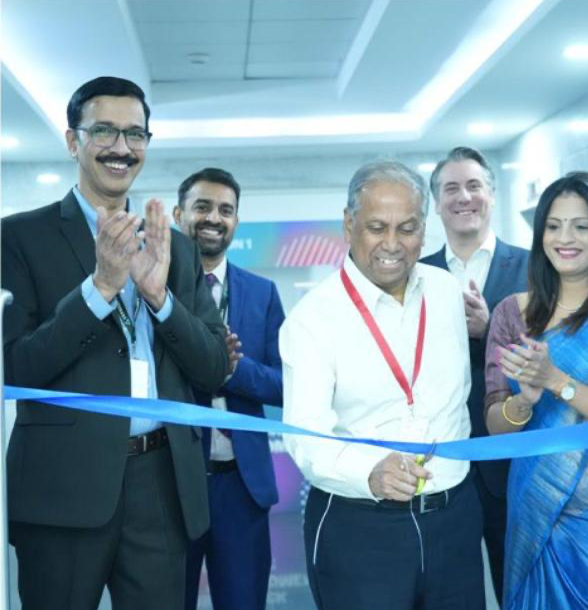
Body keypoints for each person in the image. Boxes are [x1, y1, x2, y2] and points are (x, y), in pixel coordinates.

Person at [1, 77, 229, 610]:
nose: (122, 148)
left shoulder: (174, 246)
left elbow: (214, 368)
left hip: (160, 487)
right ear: (72, 141)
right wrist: (100, 288)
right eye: (104, 131)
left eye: (135, 134)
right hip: (63, 489)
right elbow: (14, 369)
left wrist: (159, 299)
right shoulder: (18, 238)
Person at [281, 160, 485, 610]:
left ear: (425, 228)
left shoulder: (447, 291)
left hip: (454, 519)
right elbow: (304, 435)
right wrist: (369, 473)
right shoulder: (312, 318)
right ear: (349, 223)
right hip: (361, 526)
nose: (392, 245)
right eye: (376, 227)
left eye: (408, 228)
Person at [484, 171, 588, 608]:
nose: (564, 238)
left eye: (581, 226)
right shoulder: (513, 314)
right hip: (535, 506)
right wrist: (523, 401)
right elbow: (496, 425)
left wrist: (556, 381)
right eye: (553, 226)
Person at [173, 167, 285, 610]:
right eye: (202, 206)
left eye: (226, 210)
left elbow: (283, 384)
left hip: (242, 486)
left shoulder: (262, 293)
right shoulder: (151, 289)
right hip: (172, 484)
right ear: (181, 213)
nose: (213, 218)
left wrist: (231, 372)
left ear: (237, 221)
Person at [420, 146, 528, 602]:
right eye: (451, 188)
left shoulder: (532, 267)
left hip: (514, 462)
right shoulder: (415, 276)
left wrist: (490, 333)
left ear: (491, 194)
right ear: (436, 202)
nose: (464, 197)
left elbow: (551, 357)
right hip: (443, 469)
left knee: (516, 589)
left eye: (474, 186)